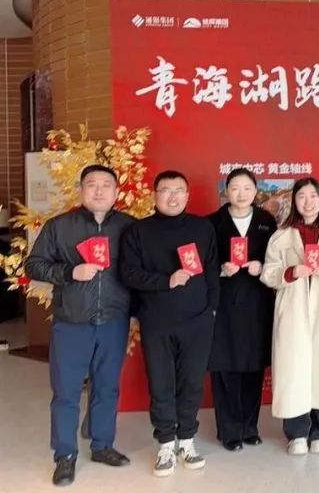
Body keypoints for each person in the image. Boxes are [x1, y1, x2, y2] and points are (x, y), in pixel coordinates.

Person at [25, 165, 134, 486]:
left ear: (116, 192)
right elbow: (34, 265)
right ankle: (65, 455)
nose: (99, 190)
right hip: (71, 322)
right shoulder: (60, 226)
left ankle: (102, 445)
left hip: (114, 320)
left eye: (106, 185)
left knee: (107, 386)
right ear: (81, 190)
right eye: (91, 184)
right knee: (66, 391)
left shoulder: (130, 228)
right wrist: (69, 272)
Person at [120, 170, 219, 476]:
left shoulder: (202, 228)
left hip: (197, 321)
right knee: (161, 383)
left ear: (187, 195)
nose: (172, 196)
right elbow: (129, 274)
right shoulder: (138, 231)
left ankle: (186, 440)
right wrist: (167, 280)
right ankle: (165, 444)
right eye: (166, 190)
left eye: (179, 190)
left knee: (191, 382)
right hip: (157, 321)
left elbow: (212, 271)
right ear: (155, 195)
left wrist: (211, 309)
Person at [260, 177, 319, 456]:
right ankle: (296, 433)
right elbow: (268, 273)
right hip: (293, 310)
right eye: (301, 197)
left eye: (313, 196)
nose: (308, 202)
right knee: (293, 370)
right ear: (294, 201)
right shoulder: (281, 235)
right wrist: (290, 272)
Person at [206, 168, 277, 451]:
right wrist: (221, 269)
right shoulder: (212, 222)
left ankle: (249, 427)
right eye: (235, 188)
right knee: (225, 366)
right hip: (224, 304)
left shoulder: (266, 221)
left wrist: (263, 267)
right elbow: (202, 262)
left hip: (257, 303)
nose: (241, 193)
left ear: (255, 191)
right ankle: (229, 430)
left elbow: (277, 259)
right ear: (226, 191)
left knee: (253, 367)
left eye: (247, 188)